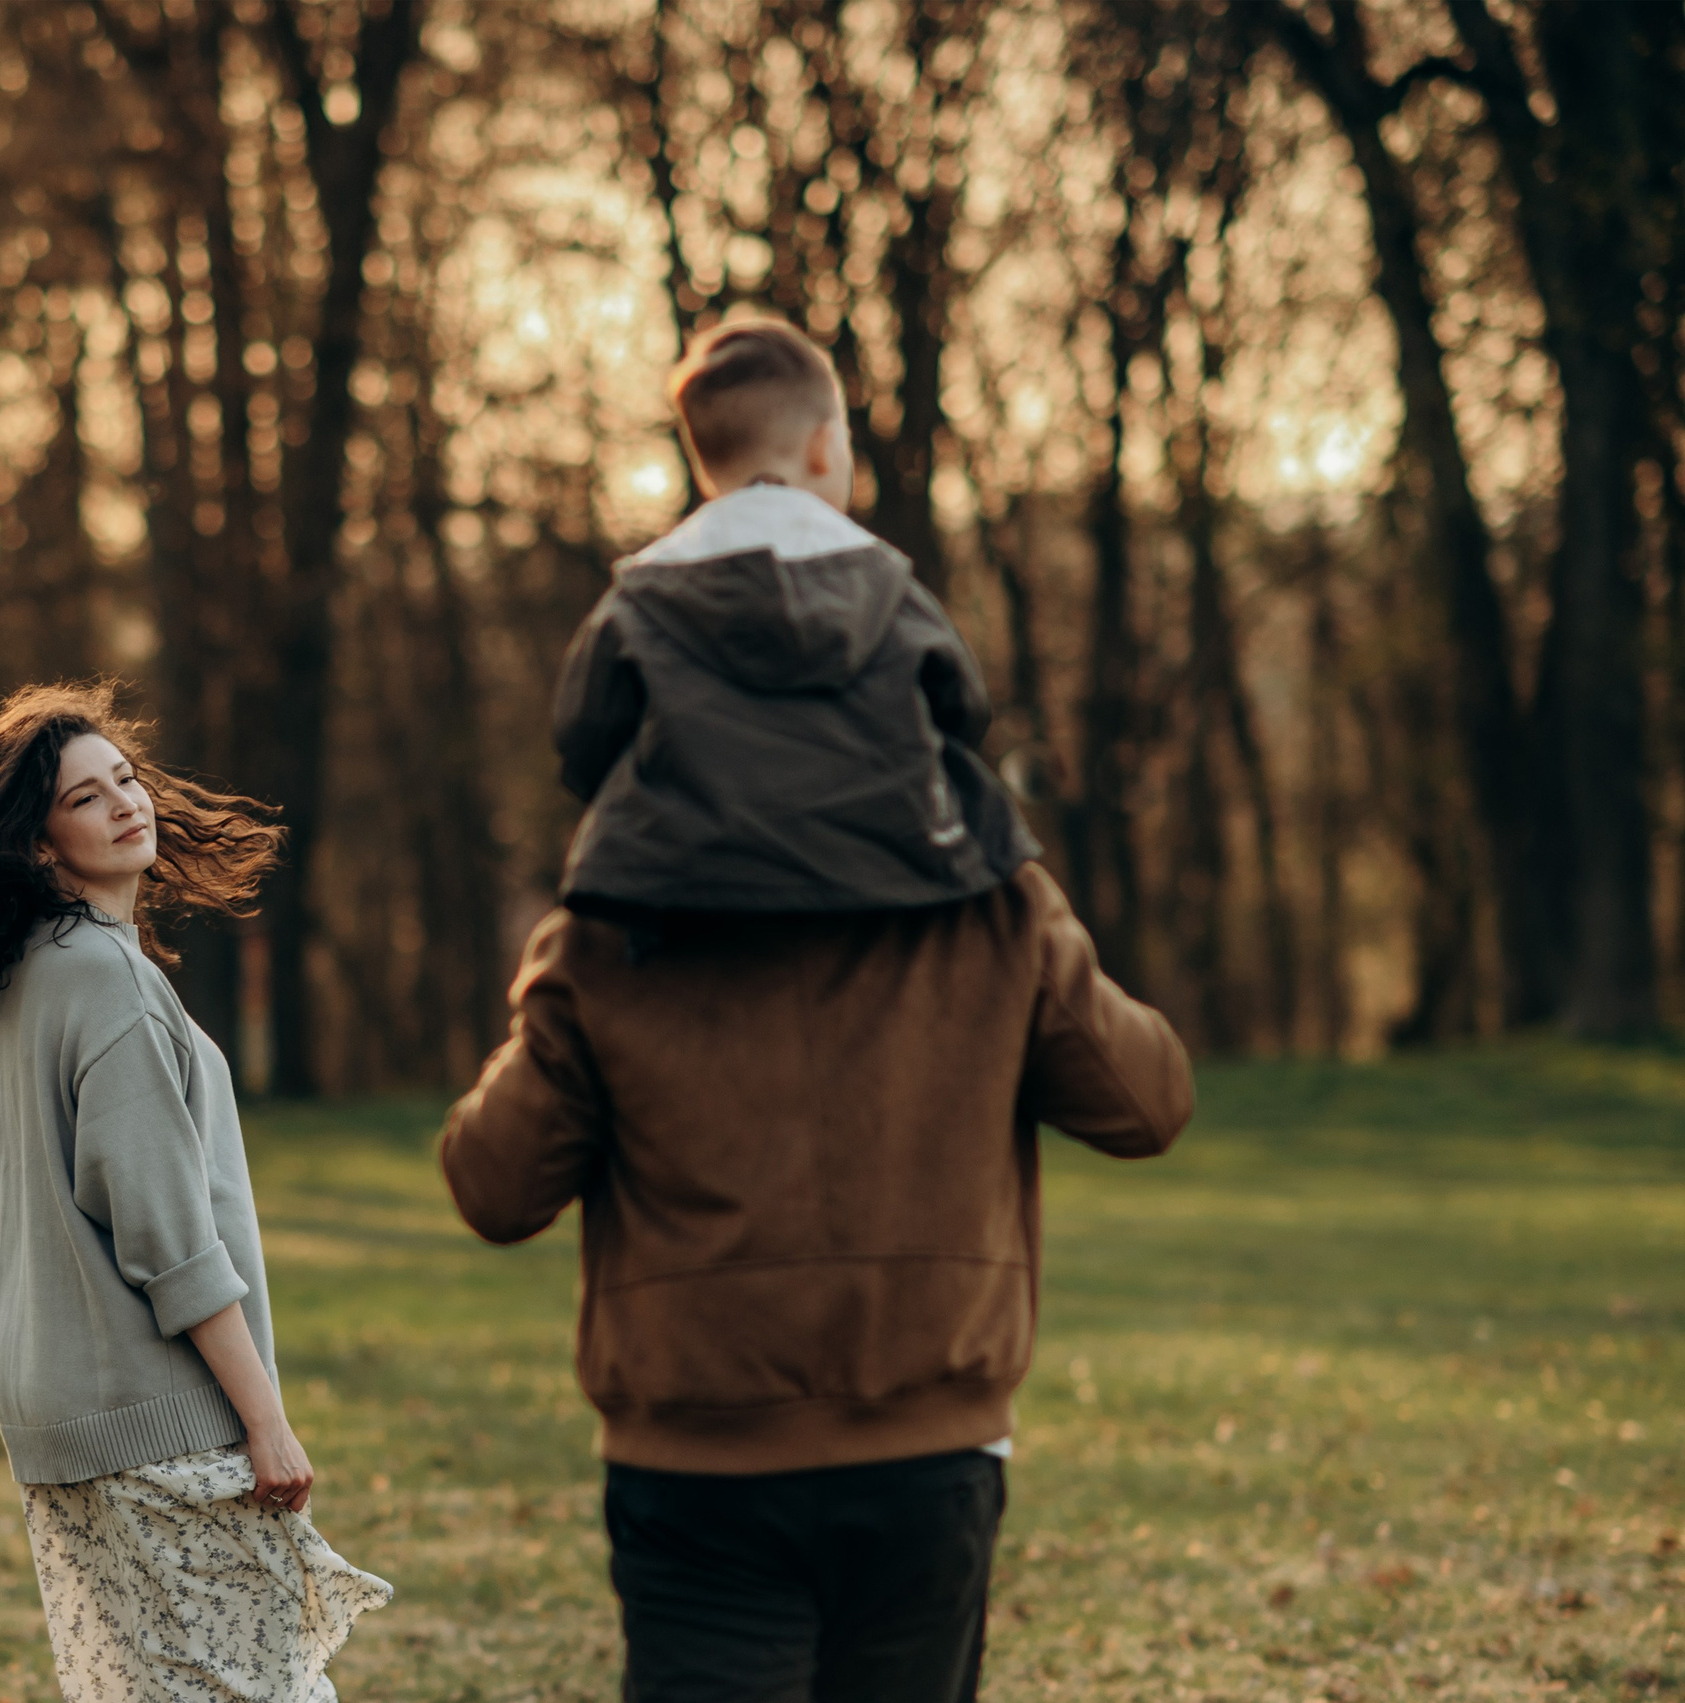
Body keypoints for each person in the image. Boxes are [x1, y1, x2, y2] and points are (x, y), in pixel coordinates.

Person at [437, 323, 1196, 1702]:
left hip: (695, 1454)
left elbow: (492, 1183)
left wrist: (549, 976)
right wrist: (1036, 904)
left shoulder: (608, 929)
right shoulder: (992, 895)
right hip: (931, 1442)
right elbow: (1146, 1101)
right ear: (833, 454)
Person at [0, 683, 389, 1702]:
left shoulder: (24, 976)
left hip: (58, 1416)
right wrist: (266, 1420)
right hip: (156, 1417)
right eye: (84, 797)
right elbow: (168, 1238)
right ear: (37, 842)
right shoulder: (102, 977)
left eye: (124, 778)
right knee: (259, 1690)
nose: (122, 802)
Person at [554, 318, 1037, 936]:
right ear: (821, 447)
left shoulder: (638, 603)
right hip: (895, 868)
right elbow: (964, 713)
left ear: (706, 467)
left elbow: (583, 741)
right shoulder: (890, 588)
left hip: (685, 885)